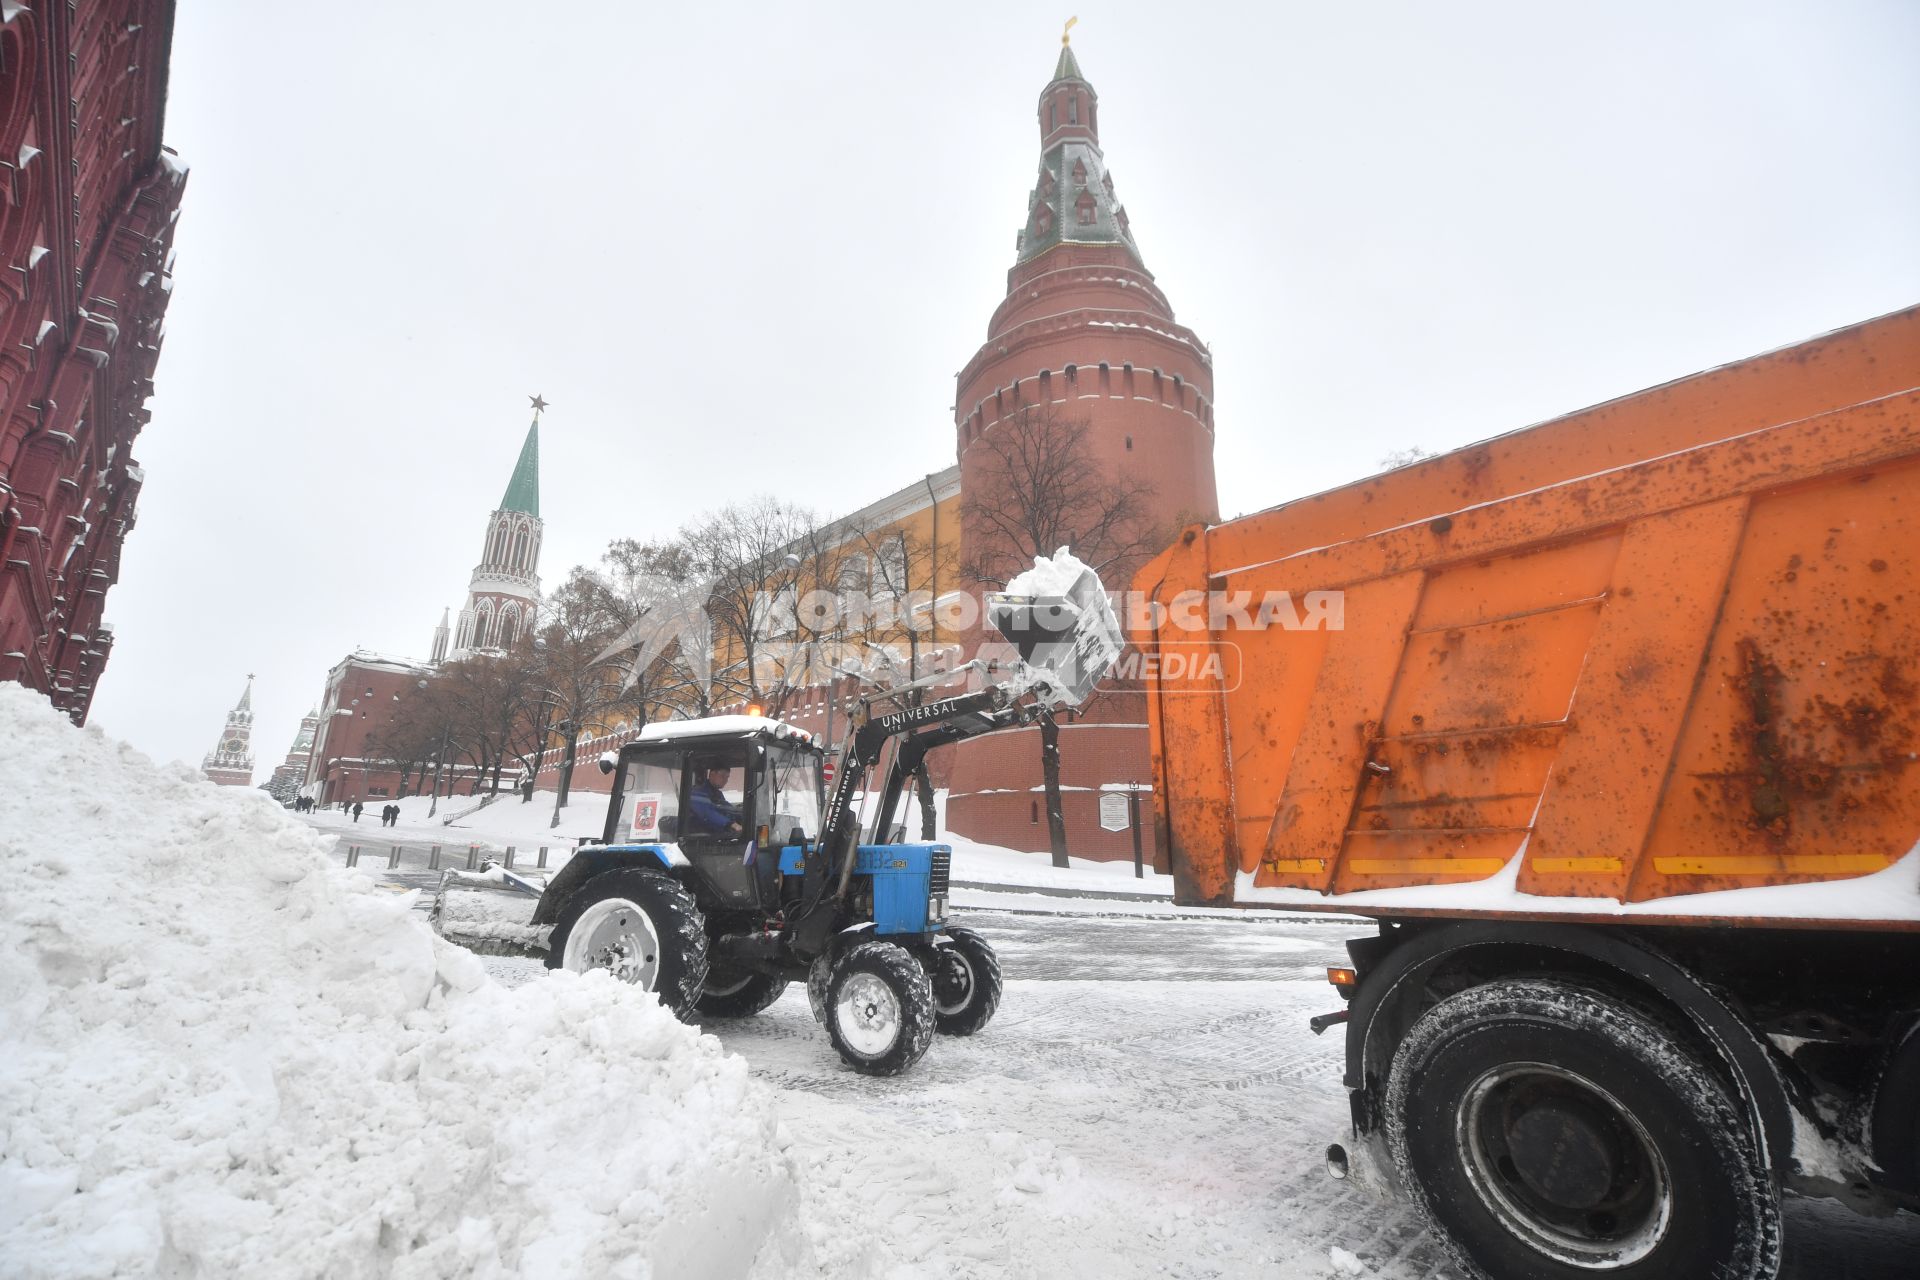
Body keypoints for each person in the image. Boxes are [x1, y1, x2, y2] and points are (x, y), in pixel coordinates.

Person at [685, 763, 743, 837]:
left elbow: (726, 809)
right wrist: (731, 824)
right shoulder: (697, 792)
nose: (726, 780)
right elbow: (707, 813)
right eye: (722, 776)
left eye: (727, 777)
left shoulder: (717, 794)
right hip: (700, 837)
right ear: (712, 774)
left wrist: (740, 814)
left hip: (715, 834)